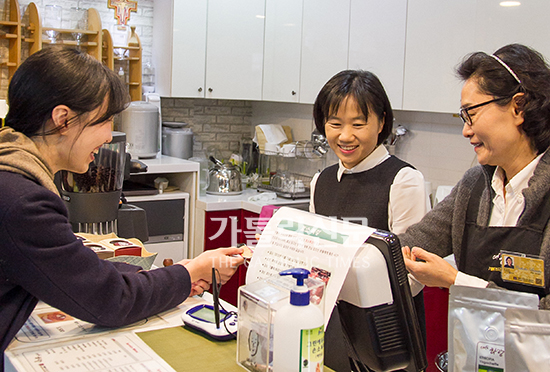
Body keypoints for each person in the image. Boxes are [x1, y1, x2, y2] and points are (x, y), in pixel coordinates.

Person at [0, 46, 244, 365]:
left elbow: (78, 268)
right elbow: (109, 299)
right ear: (63, 119)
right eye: (105, 120)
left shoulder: (12, 171)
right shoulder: (24, 201)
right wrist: (189, 273)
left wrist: (185, 271)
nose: (108, 136)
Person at [400, 43, 550, 309]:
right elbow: (411, 246)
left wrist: (456, 281)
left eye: (472, 113)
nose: (466, 131)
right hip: (472, 349)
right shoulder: (475, 185)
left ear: (519, 107)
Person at [309, 70, 428, 371]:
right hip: (331, 334)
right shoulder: (321, 181)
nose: (345, 136)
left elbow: (412, 278)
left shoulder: (403, 180)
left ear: (382, 122)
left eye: (358, 124)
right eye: (335, 123)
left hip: (389, 342)